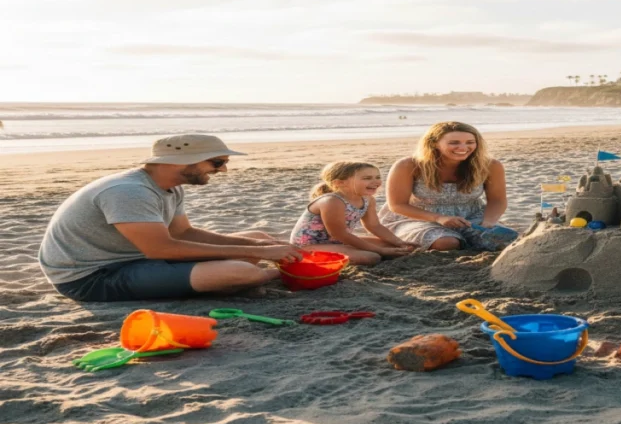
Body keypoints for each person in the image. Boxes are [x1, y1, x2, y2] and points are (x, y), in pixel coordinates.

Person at [38, 134, 304, 302]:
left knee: (255, 238)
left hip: (134, 259)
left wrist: (260, 247)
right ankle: (275, 274)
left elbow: (183, 233)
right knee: (243, 271)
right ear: (180, 161)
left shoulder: (169, 186)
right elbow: (162, 248)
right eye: (217, 162)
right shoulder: (129, 191)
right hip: (91, 277)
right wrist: (269, 256)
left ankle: (241, 273)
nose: (223, 170)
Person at [378, 121, 517, 251]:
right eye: (454, 142)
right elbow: (397, 205)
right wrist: (439, 218)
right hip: (417, 217)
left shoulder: (491, 165)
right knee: (447, 243)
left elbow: (497, 200)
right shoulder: (408, 165)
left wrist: (488, 222)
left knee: (496, 243)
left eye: (470, 142)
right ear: (434, 144)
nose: (463, 148)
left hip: (471, 217)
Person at [290, 161, 416, 265]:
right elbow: (340, 234)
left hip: (337, 242)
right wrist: (380, 250)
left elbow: (374, 226)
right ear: (340, 183)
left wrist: (398, 242)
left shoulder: (368, 199)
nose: (375, 182)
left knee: (393, 246)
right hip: (310, 246)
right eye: (367, 178)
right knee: (371, 257)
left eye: (377, 177)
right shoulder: (332, 201)